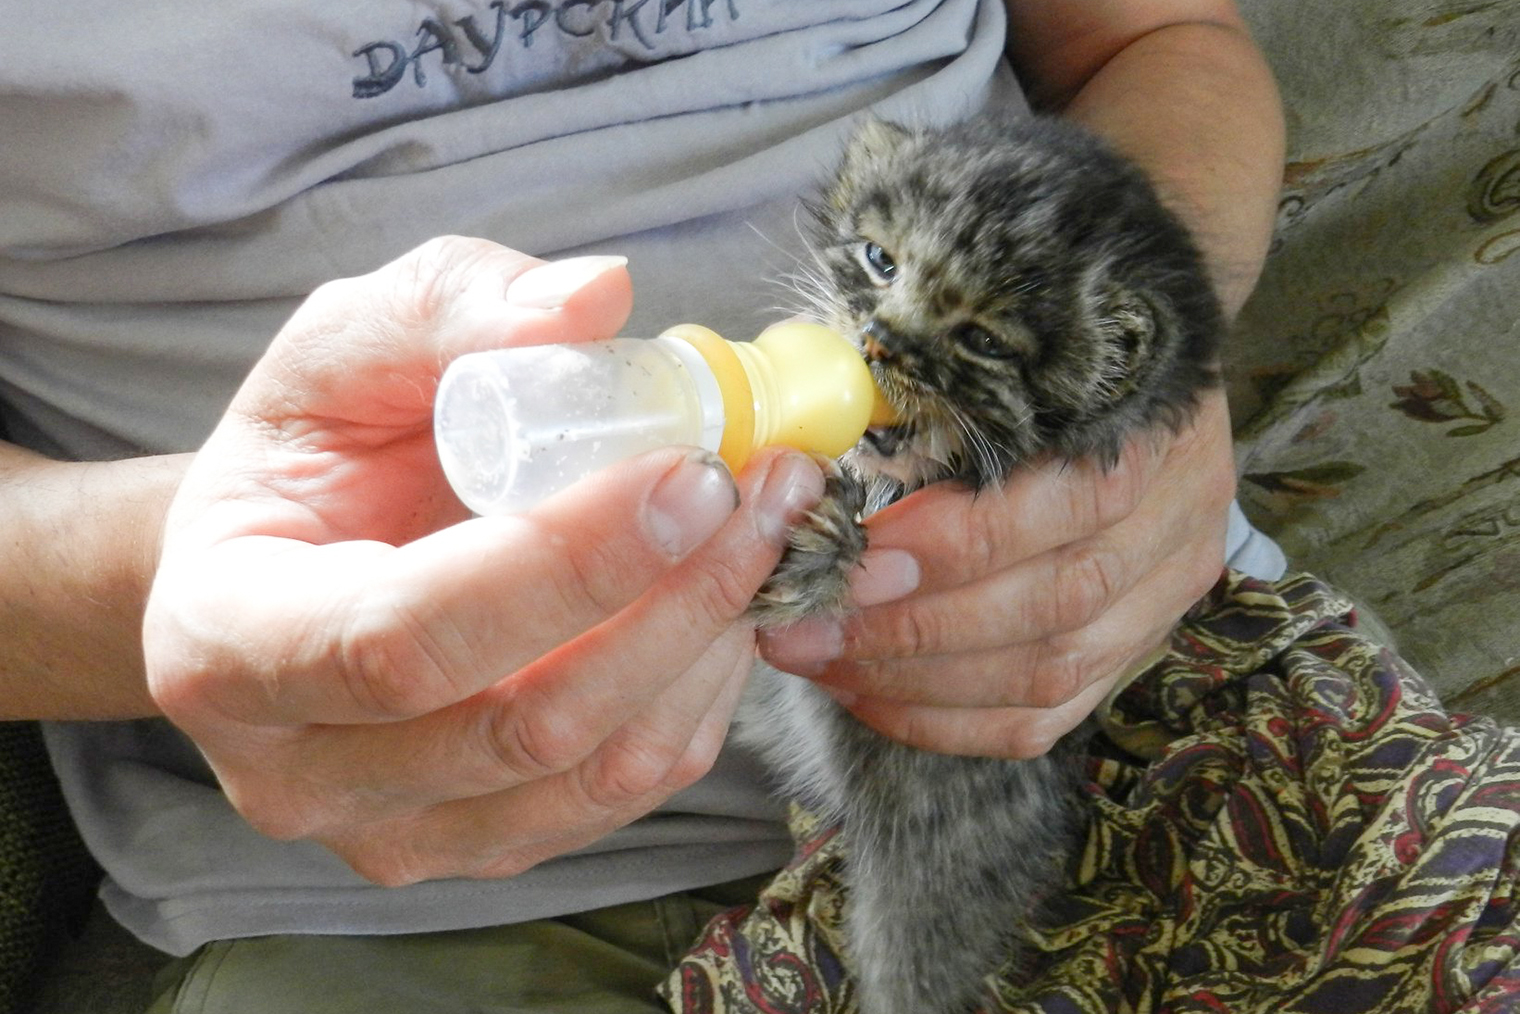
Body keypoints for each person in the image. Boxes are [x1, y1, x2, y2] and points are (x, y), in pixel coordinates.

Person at [0, 0, 1285, 1009]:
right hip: (437, 883)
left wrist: (1135, 382)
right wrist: (186, 584)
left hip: (1150, 712)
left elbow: (1156, 34)